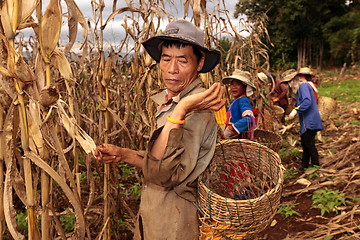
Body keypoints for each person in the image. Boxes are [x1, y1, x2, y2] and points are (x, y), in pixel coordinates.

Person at [94, 19, 225, 240]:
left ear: (200, 63)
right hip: (155, 214)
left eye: (182, 61)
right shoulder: (176, 101)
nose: (172, 69)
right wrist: (124, 154)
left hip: (174, 222)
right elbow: (161, 160)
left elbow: (164, 174)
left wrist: (182, 108)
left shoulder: (197, 109)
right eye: (166, 59)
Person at [281, 68, 322, 172]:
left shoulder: (303, 86)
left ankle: (316, 166)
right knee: (305, 143)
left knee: (309, 144)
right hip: (307, 121)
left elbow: (307, 102)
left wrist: (295, 111)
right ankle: (304, 166)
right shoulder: (303, 87)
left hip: (310, 121)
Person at [222, 70, 257, 139]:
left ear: (244, 88)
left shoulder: (243, 100)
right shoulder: (234, 101)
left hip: (238, 139)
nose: (233, 87)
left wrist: (233, 128)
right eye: (232, 84)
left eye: (238, 84)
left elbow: (249, 118)